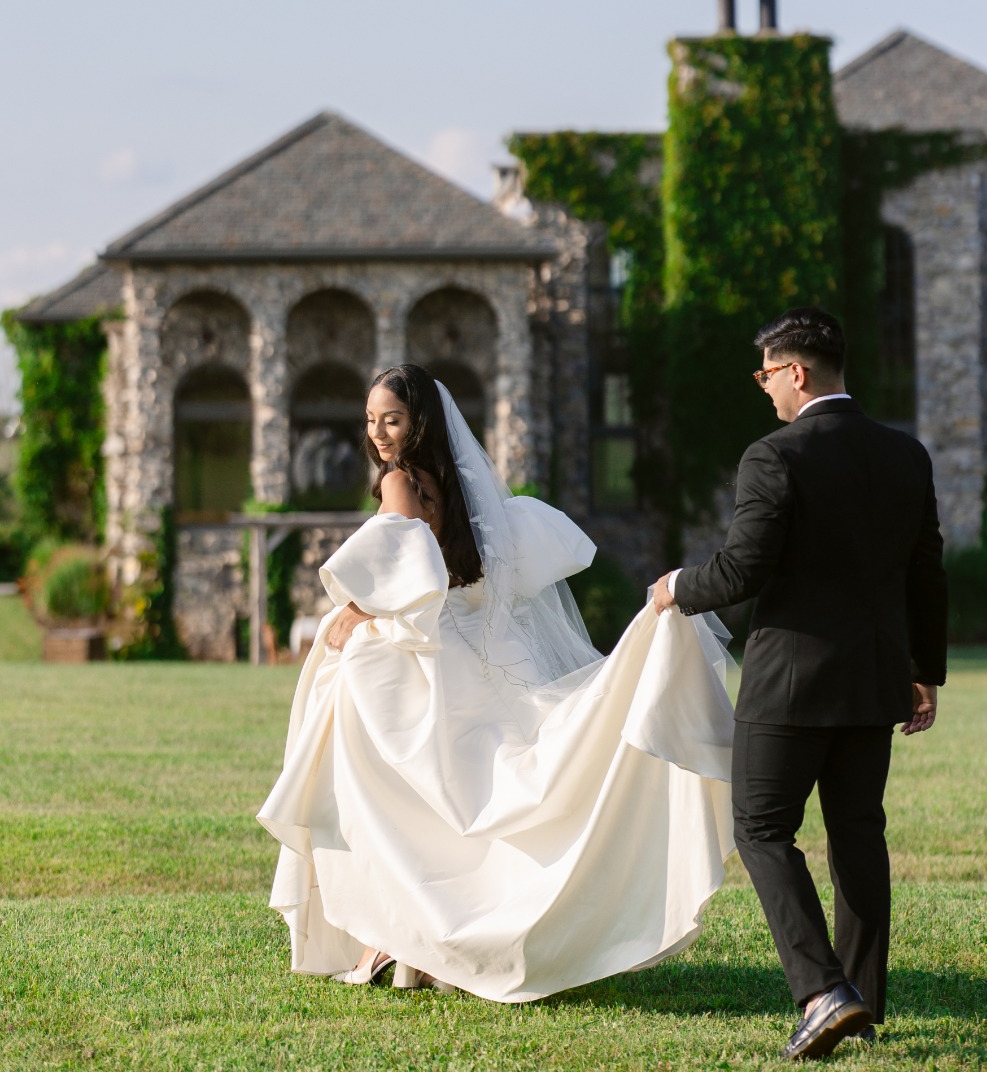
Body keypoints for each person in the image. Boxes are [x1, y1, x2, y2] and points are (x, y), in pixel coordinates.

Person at [258, 363, 735, 1000]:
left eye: (391, 419)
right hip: (478, 650)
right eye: (370, 420)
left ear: (418, 421)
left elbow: (404, 569)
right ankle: (409, 942)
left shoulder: (400, 483)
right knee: (455, 808)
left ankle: (404, 940)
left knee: (387, 808)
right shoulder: (461, 488)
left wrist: (354, 607)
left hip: (418, 659)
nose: (377, 433)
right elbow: (463, 572)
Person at [653, 307, 947, 1061]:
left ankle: (821, 992)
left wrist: (675, 587)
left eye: (766, 377)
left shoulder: (773, 456)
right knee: (858, 835)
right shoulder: (906, 455)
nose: (766, 394)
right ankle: (863, 999)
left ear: (795, 371)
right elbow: (926, 571)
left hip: (790, 686)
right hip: (877, 680)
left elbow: (742, 570)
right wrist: (924, 671)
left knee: (759, 827)